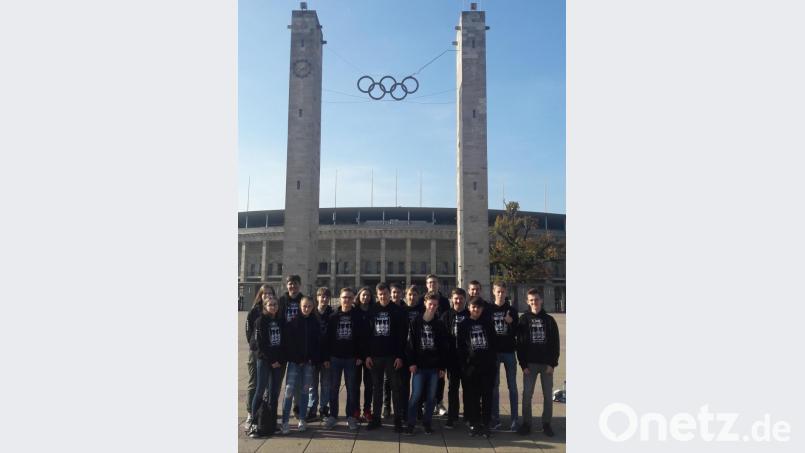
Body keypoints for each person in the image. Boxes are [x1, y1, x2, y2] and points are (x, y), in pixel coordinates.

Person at [516, 289, 560, 437]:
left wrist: (552, 364)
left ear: (541, 300)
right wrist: (523, 365)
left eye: (536, 299)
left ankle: (546, 423)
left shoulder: (549, 320)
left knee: (548, 396)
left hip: (546, 364)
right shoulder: (524, 319)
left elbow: (555, 343)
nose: (534, 302)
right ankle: (527, 423)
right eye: (531, 300)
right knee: (527, 394)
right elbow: (520, 343)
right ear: (527, 302)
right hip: (530, 365)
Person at [404, 291, 448, 435]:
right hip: (419, 366)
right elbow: (410, 345)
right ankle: (410, 423)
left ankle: (427, 423)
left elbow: (443, 347)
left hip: (434, 367)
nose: (432, 307)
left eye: (435, 305)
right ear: (425, 304)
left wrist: (442, 367)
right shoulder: (415, 322)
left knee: (431, 397)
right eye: (430, 304)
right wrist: (411, 363)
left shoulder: (439, 324)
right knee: (416, 395)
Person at [364, 282, 407, 432]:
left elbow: (402, 337)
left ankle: (397, 419)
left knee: (396, 388)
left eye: (385, 294)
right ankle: (376, 418)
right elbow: (367, 335)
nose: (383, 296)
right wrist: (367, 355)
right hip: (375, 356)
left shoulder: (398, 311)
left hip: (392, 356)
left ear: (390, 294)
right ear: (377, 295)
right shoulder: (372, 310)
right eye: (380, 294)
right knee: (377, 388)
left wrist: (400, 356)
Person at [323, 288, 364, 431]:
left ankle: (351, 416)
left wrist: (360, 356)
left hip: (351, 358)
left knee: (352, 388)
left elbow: (361, 338)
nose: (346, 300)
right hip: (335, 358)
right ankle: (333, 416)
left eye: (349, 297)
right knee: (333, 388)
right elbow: (328, 338)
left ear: (353, 300)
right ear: (340, 299)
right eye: (344, 297)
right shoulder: (333, 316)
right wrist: (326, 357)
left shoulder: (357, 316)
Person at [281, 296, 320, 434]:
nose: (306, 309)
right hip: (294, 362)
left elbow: (317, 344)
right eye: (304, 306)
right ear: (300, 306)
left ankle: (302, 419)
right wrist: (297, 358)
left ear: (313, 307)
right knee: (289, 390)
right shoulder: (292, 323)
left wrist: (311, 359)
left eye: (309, 306)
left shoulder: (315, 322)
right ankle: (285, 421)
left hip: (308, 363)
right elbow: (289, 345)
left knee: (305, 391)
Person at [457, 297, 496, 438]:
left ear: (482, 309)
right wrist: (465, 366)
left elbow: (493, 344)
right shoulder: (463, 325)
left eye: (479, 307)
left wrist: (492, 364)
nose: (476, 309)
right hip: (471, 368)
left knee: (487, 396)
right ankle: (474, 423)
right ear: (469, 308)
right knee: (472, 397)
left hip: (487, 367)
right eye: (473, 307)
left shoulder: (488, 323)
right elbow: (460, 347)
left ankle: (486, 423)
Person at [247, 294, 285, 438]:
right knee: (260, 390)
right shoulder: (260, 321)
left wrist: (279, 360)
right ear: (265, 306)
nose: (273, 307)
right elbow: (260, 345)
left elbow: (284, 343)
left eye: (275, 304)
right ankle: (255, 423)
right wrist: (272, 360)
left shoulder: (280, 321)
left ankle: (271, 422)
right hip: (264, 361)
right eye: (270, 305)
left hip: (278, 362)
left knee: (274, 393)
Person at [489, 281, 520, 431]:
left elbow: (518, 332)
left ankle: (514, 419)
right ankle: (495, 419)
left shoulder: (512, 310)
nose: (500, 294)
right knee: (494, 387)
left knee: (512, 387)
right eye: (498, 291)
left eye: (503, 291)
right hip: (494, 352)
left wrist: (511, 322)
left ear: (506, 292)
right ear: (493, 292)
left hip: (508, 352)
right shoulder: (489, 309)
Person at [244, 284, 275, 428]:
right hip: (256, 353)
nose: (267, 296)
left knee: (267, 385)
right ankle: (251, 412)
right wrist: (256, 349)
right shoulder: (254, 312)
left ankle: (264, 413)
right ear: (260, 295)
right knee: (254, 383)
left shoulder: (274, 310)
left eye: (270, 293)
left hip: (268, 354)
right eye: (265, 294)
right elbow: (249, 333)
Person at [420, 274, 450, 415]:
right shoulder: (422, 300)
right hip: (426, 341)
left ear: (438, 284)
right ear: (426, 284)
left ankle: (439, 402)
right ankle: (426, 402)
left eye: (434, 282)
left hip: (440, 340)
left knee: (440, 375)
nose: (432, 284)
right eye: (430, 282)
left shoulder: (444, 301)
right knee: (425, 377)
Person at [440, 287, 469, 428]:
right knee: (453, 388)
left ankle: (469, 415)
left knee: (468, 388)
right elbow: (442, 337)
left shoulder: (470, 314)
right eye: (456, 298)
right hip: (452, 359)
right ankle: (452, 415)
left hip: (467, 359)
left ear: (465, 300)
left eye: (461, 298)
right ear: (452, 300)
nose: (458, 301)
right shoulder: (446, 315)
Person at [278, 275, 305, 419]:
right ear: (286, 285)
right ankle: (275, 409)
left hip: (297, 347)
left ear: (299, 285)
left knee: (297, 382)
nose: (292, 287)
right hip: (283, 346)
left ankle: (297, 406)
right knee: (281, 381)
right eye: (290, 284)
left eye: (295, 284)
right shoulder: (281, 301)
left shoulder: (303, 299)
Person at [307, 287, 333, 421]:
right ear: (317, 298)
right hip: (313, 357)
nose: (324, 299)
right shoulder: (312, 314)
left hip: (326, 357)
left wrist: (327, 357)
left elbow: (332, 339)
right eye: (321, 297)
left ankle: (324, 408)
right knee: (312, 384)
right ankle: (312, 407)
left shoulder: (332, 314)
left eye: (326, 297)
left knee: (326, 383)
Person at [351, 286, 374, 422]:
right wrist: (358, 356)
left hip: (370, 355)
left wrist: (369, 355)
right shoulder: (354, 312)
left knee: (369, 384)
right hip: (357, 356)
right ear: (359, 296)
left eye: (368, 295)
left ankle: (367, 410)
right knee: (355, 384)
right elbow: (353, 336)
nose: (365, 297)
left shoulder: (373, 311)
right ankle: (356, 410)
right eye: (363, 295)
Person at [383, 283, 405, 418]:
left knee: (401, 381)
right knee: (387, 381)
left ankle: (401, 407)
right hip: (388, 351)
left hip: (402, 350)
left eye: (398, 292)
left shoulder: (405, 309)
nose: (395, 295)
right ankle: (386, 406)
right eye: (393, 292)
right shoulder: (385, 308)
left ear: (402, 293)